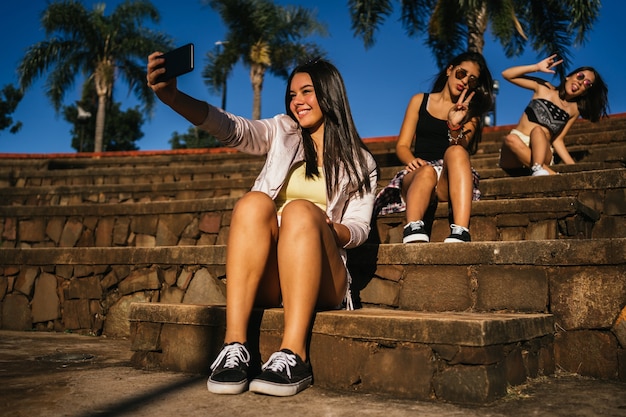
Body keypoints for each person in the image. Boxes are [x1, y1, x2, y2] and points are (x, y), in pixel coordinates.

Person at [147, 55, 378, 397]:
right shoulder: (282, 131)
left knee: (301, 211)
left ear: (330, 94)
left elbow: (359, 228)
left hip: (325, 276)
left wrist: (331, 229)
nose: (297, 101)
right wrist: (173, 98)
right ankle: (234, 347)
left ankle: (294, 354)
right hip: (275, 273)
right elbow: (232, 128)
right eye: (292, 94)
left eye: (307, 91)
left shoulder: (361, 161)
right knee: (253, 202)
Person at [375, 52, 493, 243]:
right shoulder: (419, 100)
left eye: (472, 80)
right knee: (427, 171)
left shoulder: (470, 114)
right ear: (450, 70)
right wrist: (412, 161)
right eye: (461, 73)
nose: (464, 81)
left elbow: (461, 147)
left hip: (448, 178)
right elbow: (402, 146)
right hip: (419, 174)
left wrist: (455, 126)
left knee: (455, 151)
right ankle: (413, 227)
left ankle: (461, 230)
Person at [498, 55, 609, 176]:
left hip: (541, 151)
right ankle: (548, 172)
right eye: (580, 76)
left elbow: (558, 140)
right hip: (515, 148)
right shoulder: (543, 87)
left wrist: (574, 167)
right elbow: (507, 74)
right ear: (568, 77)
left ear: (585, 92)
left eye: (587, 83)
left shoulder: (573, 110)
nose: (582, 81)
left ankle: (538, 167)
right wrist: (536, 67)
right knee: (510, 138)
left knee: (538, 131)